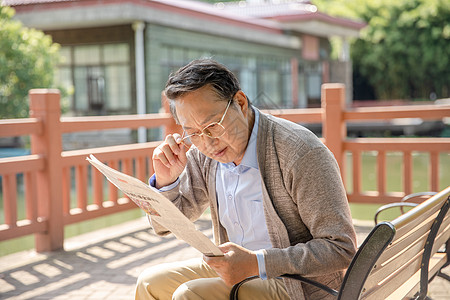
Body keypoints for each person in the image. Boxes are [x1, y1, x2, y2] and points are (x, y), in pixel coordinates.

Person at [135, 58, 357, 300]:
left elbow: (340, 248)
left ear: (239, 103)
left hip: (297, 285)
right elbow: (164, 226)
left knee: (188, 295)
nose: (207, 142)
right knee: (148, 283)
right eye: (193, 132)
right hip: (237, 272)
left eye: (213, 125)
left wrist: (256, 263)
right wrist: (167, 183)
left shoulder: (299, 152)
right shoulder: (204, 155)